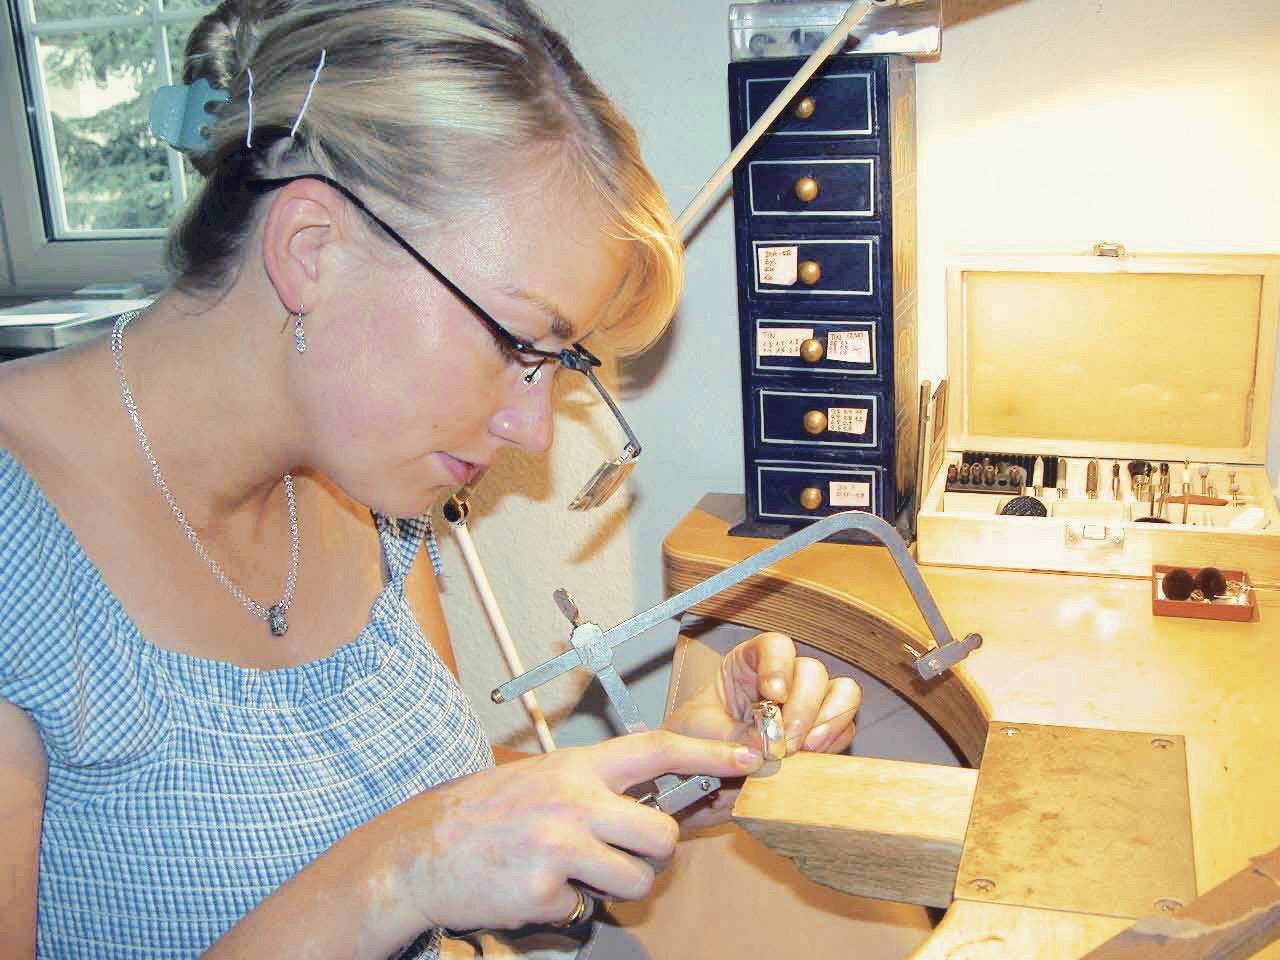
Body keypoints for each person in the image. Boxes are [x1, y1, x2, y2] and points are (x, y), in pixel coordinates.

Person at [0, 1, 861, 957]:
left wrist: (667, 773)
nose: (531, 431)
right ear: (310, 249)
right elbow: (405, 847)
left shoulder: (368, 490)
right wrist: (400, 871)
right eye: (513, 342)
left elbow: (418, 802)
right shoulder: (18, 545)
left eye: (556, 366)